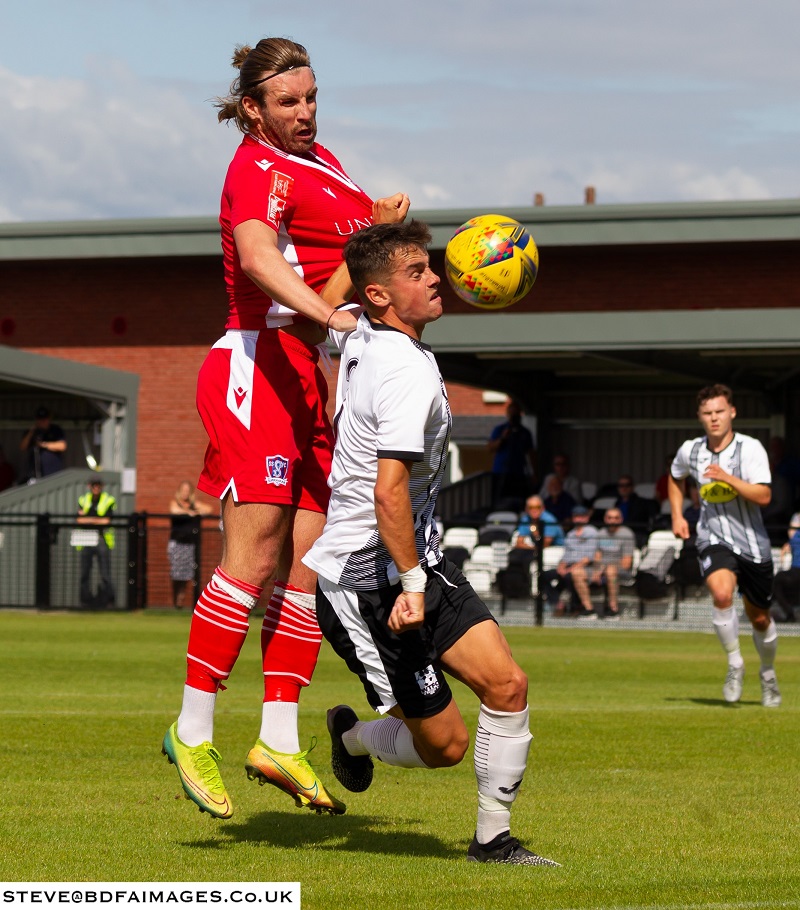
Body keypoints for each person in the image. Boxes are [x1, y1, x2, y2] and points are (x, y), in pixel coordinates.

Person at [162, 36, 411, 820]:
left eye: (310, 98)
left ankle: (276, 738)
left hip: (311, 377)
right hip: (256, 362)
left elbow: (334, 269)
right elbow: (261, 259)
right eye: (287, 103)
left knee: (308, 566)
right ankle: (191, 727)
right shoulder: (255, 169)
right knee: (257, 551)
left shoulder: (326, 161)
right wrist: (329, 310)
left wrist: (373, 238)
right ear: (252, 109)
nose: (304, 113)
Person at [304, 221, 558, 867]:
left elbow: (332, 309)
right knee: (442, 747)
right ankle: (353, 736)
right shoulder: (402, 372)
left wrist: (370, 228)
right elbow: (389, 492)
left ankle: (492, 842)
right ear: (381, 295)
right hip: (367, 582)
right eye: (417, 272)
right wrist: (411, 586)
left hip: (417, 559)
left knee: (507, 685)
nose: (437, 277)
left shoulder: (359, 328)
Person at [668, 383, 780, 707]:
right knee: (720, 594)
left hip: (754, 544)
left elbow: (764, 495)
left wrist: (727, 478)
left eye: (719, 411)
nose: (714, 418)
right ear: (699, 416)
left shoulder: (751, 449)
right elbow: (675, 476)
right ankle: (735, 663)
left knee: (759, 618)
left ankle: (768, 673)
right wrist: (677, 514)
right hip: (713, 536)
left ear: (732, 412)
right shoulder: (690, 450)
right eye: (707, 413)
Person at [540, 505, 598, 618]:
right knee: (544, 576)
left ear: (586, 518)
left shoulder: (592, 532)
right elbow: (566, 555)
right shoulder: (571, 534)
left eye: (581, 516)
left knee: (570, 576)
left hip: (586, 567)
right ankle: (558, 603)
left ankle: (576, 606)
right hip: (569, 566)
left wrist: (571, 569)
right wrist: (561, 567)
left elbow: (589, 557)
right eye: (576, 516)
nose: (579, 519)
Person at [168, 481, 213, 609]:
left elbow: (208, 509)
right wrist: (188, 512)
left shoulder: (194, 505)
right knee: (176, 573)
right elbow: (174, 510)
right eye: (183, 490)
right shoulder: (175, 503)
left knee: (187, 574)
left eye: (188, 490)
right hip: (177, 543)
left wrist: (196, 511)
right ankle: (175, 600)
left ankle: (181, 600)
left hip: (191, 544)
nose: (185, 493)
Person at [486, 399, 536, 507]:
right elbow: (490, 448)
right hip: (500, 472)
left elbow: (531, 454)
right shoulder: (500, 429)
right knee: (498, 502)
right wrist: (503, 438)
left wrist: (534, 474)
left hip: (518, 473)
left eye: (516, 414)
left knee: (518, 502)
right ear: (508, 415)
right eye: (512, 414)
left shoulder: (525, 432)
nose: (514, 417)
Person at [76, 477, 116, 609]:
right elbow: (79, 520)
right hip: (86, 538)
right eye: (94, 485)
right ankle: (85, 601)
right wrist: (96, 519)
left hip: (101, 538)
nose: (96, 488)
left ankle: (107, 601)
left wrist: (88, 519)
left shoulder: (108, 499)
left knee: (105, 572)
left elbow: (106, 521)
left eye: (98, 485)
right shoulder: (83, 499)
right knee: (84, 572)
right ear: (89, 486)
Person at [591, 507, 636, 619]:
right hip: (601, 568)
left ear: (621, 519)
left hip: (621, 570)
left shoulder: (627, 534)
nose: (612, 521)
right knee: (578, 572)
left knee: (611, 571)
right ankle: (588, 609)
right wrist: (597, 570)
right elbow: (597, 556)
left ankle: (613, 608)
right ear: (605, 519)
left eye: (616, 518)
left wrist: (605, 568)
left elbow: (626, 563)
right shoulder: (600, 533)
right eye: (610, 518)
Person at [20, 407, 66, 480]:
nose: (42, 422)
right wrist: (31, 432)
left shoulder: (55, 430)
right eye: (40, 419)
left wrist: (43, 444)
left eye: (44, 419)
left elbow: (62, 446)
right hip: (35, 473)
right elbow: (23, 447)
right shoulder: (32, 432)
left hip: (53, 472)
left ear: (49, 419)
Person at [771, 512, 800, 623]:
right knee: (778, 579)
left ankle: (789, 612)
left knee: (777, 580)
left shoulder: (794, 537)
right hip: (795, 571)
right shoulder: (794, 538)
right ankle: (789, 612)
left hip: (795, 571)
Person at [614, 474, 656, 545]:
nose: (624, 488)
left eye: (627, 485)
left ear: (632, 487)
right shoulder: (617, 503)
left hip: (635, 535)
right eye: (621, 485)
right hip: (618, 534)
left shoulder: (641, 503)